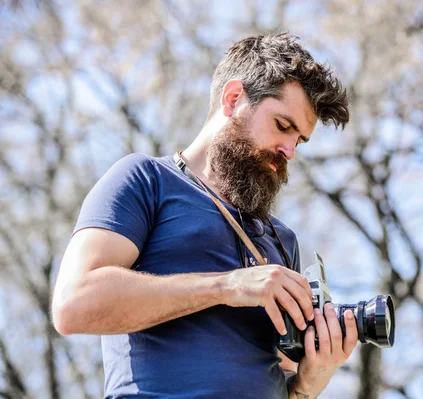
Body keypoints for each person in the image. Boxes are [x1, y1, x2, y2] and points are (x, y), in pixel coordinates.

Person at [51, 33, 358, 398]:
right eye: (282, 125)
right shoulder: (145, 180)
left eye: (300, 140)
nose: (289, 150)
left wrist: (308, 384)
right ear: (233, 99)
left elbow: (278, 383)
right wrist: (227, 286)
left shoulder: (282, 241)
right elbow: (73, 304)